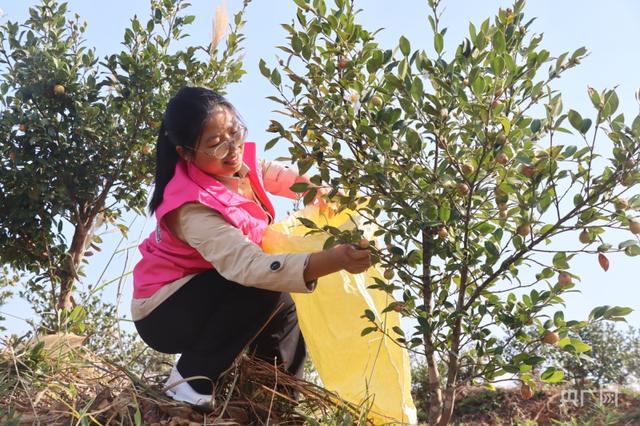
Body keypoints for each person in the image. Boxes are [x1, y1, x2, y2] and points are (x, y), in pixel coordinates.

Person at [131, 86, 372, 408]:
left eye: (235, 133)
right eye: (215, 144)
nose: (232, 149)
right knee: (263, 282)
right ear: (186, 153)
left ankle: (275, 401)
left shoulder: (236, 162)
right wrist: (333, 259)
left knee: (287, 301)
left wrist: (319, 192)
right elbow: (248, 267)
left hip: (207, 292)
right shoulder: (192, 207)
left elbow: (276, 175)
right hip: (165, 311)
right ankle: (191, 378)